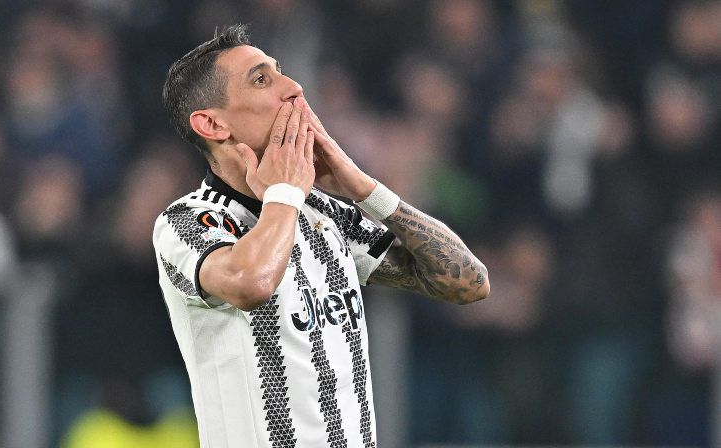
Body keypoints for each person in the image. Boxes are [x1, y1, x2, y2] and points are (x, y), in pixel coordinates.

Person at [153, 24, 490, 448]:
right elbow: (252, 282)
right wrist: (285, 192)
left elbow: (469, 283)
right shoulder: (186, 221)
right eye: (262, 80)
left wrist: (366, 190)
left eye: (280, 72)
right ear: (212, 123)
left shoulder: (325, 214)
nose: (294, 88)